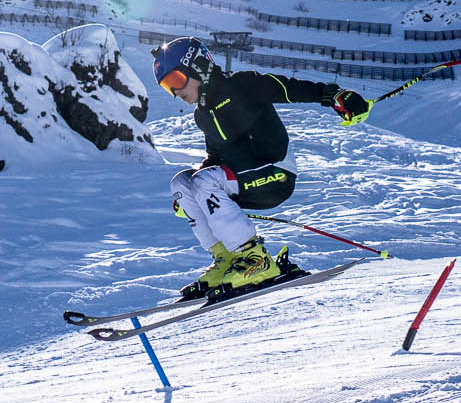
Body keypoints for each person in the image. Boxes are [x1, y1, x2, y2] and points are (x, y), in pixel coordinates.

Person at [152, 37, 371, 299]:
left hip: (275, 172)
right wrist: (190, 198)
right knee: (182, 183)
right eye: (167, 86)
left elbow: (288, 88)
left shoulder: (241, 85)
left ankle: (255, 259)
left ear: (199, 67)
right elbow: (216, 157)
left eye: (176, 80)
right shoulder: (203, 114)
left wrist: (333, 96)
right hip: (244, 178)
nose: (175, 91)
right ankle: (226, 258)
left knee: (202, 182)